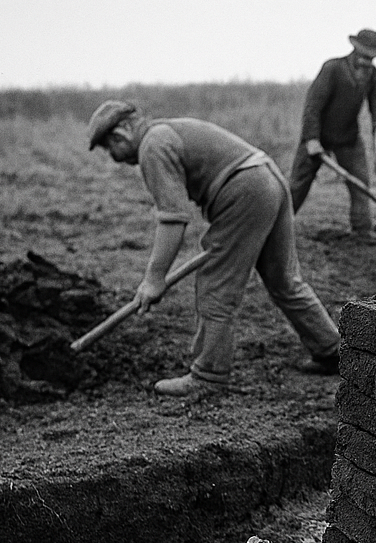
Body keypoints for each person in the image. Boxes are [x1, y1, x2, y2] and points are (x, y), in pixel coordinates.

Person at [87, 100, 342, 397]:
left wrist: (154, 278)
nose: (114, 158)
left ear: (121, 133)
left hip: (245, 189)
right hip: (267, 176)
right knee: (283, 279)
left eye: (109, 149)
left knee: (215, 284)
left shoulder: (152, 146)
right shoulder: (165, 132)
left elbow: (173, 218)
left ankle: (208, 375)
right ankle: (331, 350)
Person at [290, 28, 376, 235]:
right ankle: (276, 224)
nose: (366, 62)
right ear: (354, 50)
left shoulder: (373, 76)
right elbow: (313, 106)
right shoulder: (333, 69)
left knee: (361, 184)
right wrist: (311, 139)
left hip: (348, 138)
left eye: (370, 57)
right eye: (363, 56)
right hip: (318, 136)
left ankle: (362, 230)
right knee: (297, 185)